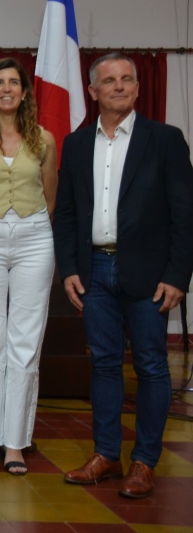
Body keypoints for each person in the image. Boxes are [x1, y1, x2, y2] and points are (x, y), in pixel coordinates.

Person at [55, 54, 193, 499]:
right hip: (94, 270)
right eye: (109, 81)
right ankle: (106, 456)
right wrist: (69, 269)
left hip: (150, 275)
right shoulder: (76, 145)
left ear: (136, 88)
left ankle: (144, 462)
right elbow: (69, 214)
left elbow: (184, 214)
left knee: (152, 366)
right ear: (92, 91)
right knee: (104, 364)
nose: (119, 86)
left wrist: (177, 275)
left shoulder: (166, 140)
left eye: (127, 79)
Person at [0, 58, 57, 475]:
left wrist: (31, 229)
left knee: (25, 342)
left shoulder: (44, 139)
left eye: (13, 83)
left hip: (35, 236)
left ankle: (15, 443)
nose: (6, 88)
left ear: (23, 93)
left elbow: (50, 197)